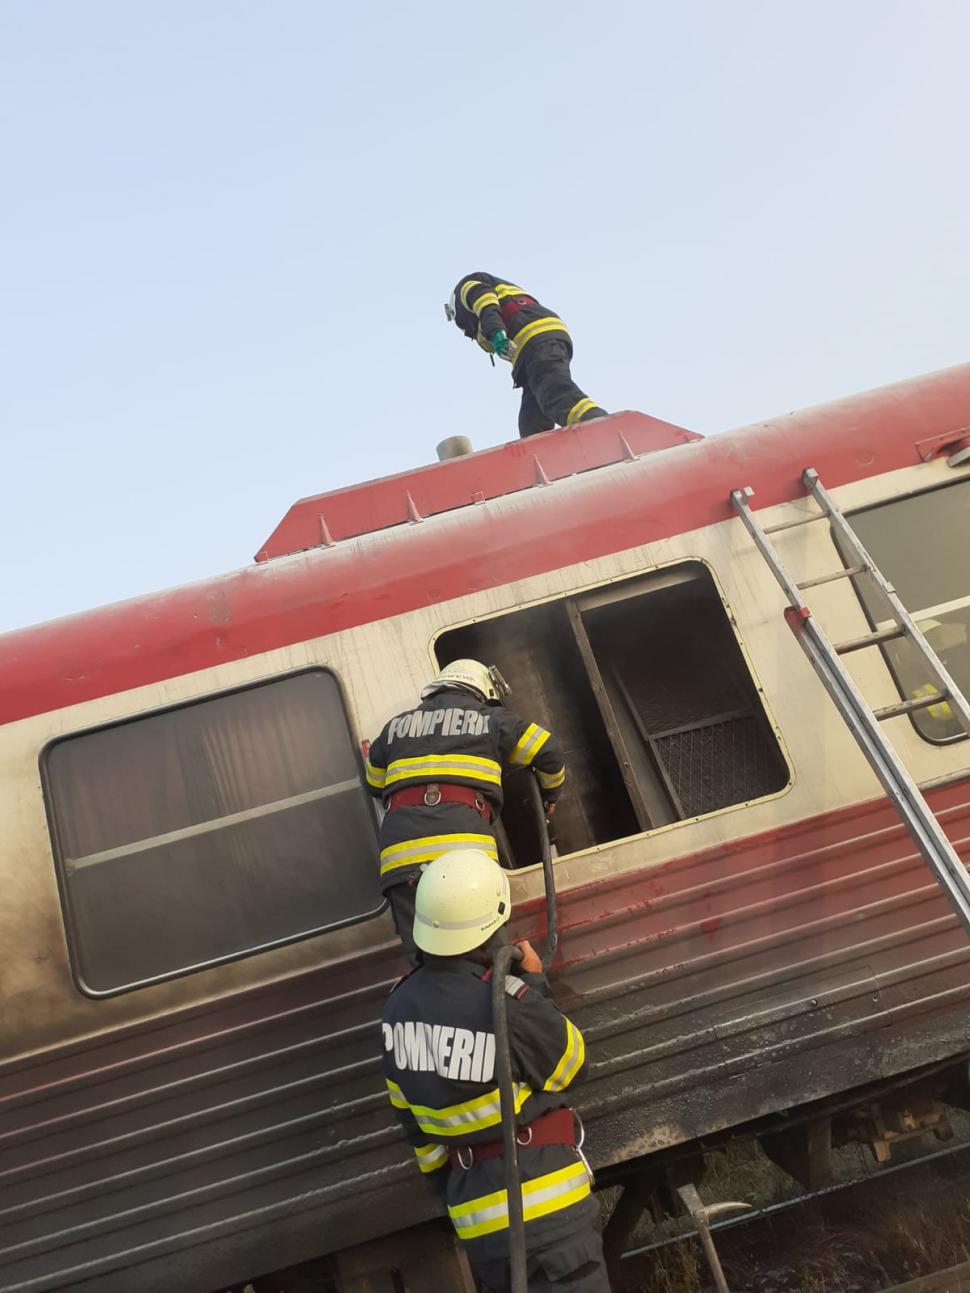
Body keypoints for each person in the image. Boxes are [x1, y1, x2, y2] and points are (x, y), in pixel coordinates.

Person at [380, 849, 609, 1292]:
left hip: (477, 1221)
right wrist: (535, 984)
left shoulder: (395, 1013)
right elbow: (573, 1064)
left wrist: (458, 1189)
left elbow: (415, 1130)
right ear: (492, 926)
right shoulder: (504, 999)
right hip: (546, 1208)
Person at [366, 659, 565, 964]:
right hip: (462, 856)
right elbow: (548, 751)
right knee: (488, 958)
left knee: (425, 963)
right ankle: (503, 1007)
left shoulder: (393, 728)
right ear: (482, 691)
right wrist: (550, 794)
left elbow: (375, 783)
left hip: (401, 858)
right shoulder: (491, 719)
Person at [445, 273, 607, 439]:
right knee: (531, 423)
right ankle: (544, 456)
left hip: (535, 336)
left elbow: (485, 302)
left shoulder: (466, 288)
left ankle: (600, 426)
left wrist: (496, 333)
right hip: (536, 343)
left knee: (554, 392)